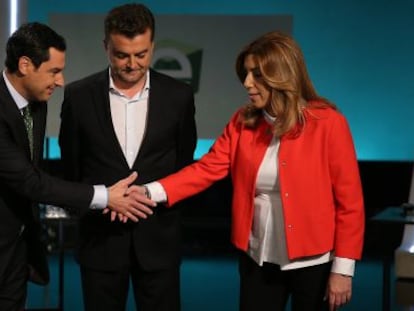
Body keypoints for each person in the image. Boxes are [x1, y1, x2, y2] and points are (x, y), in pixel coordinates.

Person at [139, 31, 365, 311]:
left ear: (281, 76)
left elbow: (350, 203)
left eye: (257, 75)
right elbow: (206, 169)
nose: (247, 83)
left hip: (314, 262)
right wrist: (149, 192)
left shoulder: (328, 123)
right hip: (257, 258)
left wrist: (343, 269)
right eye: (246, 74)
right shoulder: (242, 121)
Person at [0, 22, 155, 311]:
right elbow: (30, 182)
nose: (60, 81)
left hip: (16, 250)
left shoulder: (36, 101)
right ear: (25, 65)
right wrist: (106, 197)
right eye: (54, 71)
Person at [58, 3, 197, 311]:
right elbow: (73, 168)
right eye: (122, 55)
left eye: (141, 54)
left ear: (153, 46)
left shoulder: (179, 96)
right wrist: (103, 201)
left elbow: (184, 168)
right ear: (106, 47)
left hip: (160, 241)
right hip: (100, 242)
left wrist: (151, 199)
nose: (133, 64)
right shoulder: (78, 97)